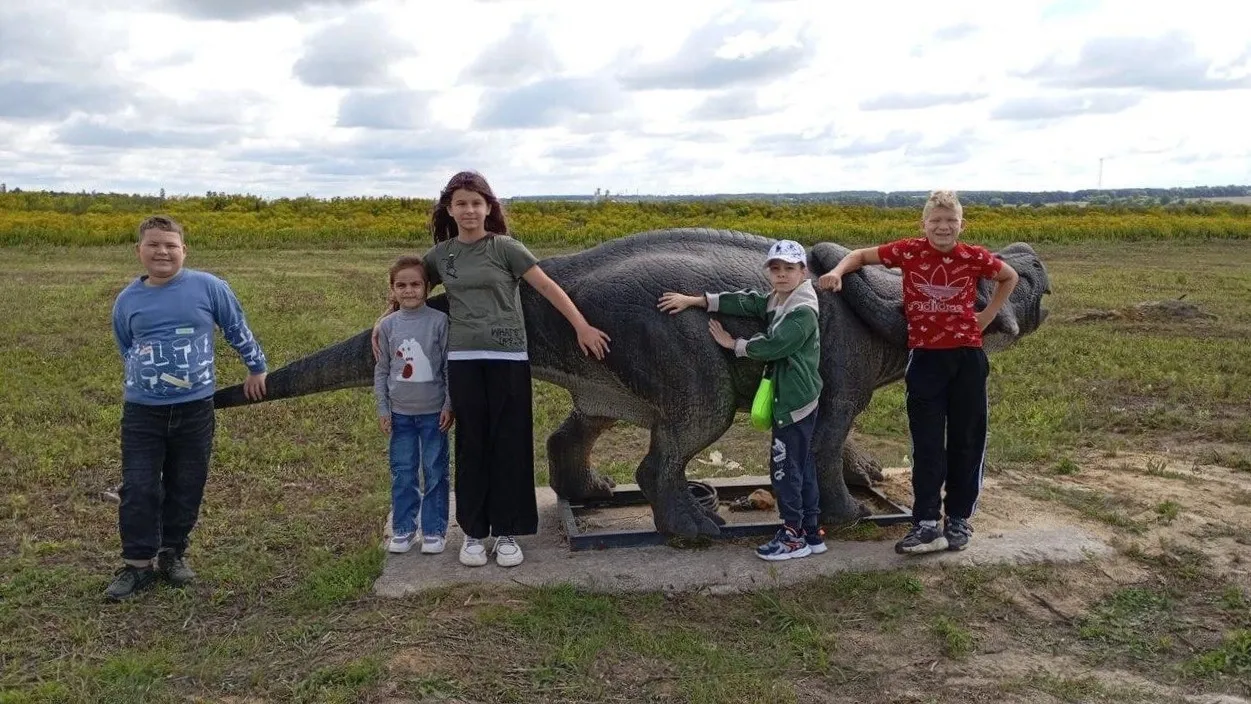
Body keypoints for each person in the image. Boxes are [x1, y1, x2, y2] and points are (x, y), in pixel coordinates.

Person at [377, 171, 610, 568]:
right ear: (449, 209)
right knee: (472, 445)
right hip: (463, 360)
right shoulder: (441, 255)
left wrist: (581, 326)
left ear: (489, 207)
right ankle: (472, 531)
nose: (469, 210)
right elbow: (411, 285)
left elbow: (548, 287)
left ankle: (506, 532)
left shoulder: (506, 248)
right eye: (461, 203)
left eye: (476, 202)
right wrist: (384, 321)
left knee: (510, 443)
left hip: (508, 358)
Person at [817, 190, 1018, 554]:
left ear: (961, 224)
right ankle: (926, 522)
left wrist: (986, 316)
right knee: (926, 444)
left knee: (967, 440)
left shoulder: (973, 256)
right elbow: (860, 255)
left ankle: (958, 519)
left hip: (967, 359)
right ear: (923, 224)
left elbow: (1009, 276)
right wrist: (836, 271)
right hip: (925, 358)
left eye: (950, 221)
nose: (943, 227)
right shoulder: (908, 251)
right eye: (936, 221)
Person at [106, 215, 268, 600]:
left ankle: (172, 553)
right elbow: (126, 344)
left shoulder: (208, 288)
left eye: (170, 245)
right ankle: (137, 565)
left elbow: (236, 327)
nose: (162, 251)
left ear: (184, 250)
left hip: (195, 409)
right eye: (154, 245)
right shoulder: (128, 300)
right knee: (140, 486)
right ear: (139, 251)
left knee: (186, 484)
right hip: (143, 412)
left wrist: (256, 367)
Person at [657, 240, 825, 561]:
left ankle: (793, 536)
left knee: (783, 469)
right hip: (799, 394)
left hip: (793, 400)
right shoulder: (781, 299)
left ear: (803, 272)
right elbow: (749, 303)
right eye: (775, 269)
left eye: (789, 269)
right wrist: (696, 301)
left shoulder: (801, 311)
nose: (781, 275)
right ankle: (811, 532)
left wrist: (734, 344)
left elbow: (776, 345)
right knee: (802, 465)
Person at [374, 256, 454, 556]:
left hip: (434, 413)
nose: (409, 291)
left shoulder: (439, 322)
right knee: (403, 472)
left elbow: (448, 367)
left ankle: (434, 530)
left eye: (415, 284)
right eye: (401, 285)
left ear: (428, 287)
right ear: (393, 290)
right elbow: (382, 369)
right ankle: (404, 528)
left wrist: (450, 403)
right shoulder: (388, 326)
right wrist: (383, 409)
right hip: (401, 415)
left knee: (435, 471)